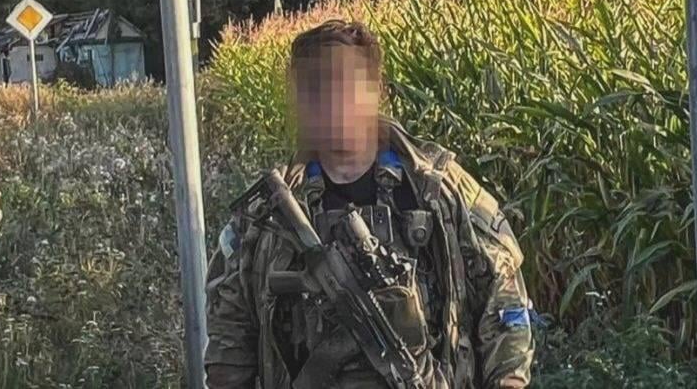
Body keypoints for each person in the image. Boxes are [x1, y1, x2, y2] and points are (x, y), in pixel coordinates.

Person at [205, 19, 534, 388]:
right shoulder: (266, 216)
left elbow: (504, 301)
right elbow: (229, 335)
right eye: (316, 88)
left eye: (346, 85)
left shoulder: (439, 189)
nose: (333, 102)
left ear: (376, 90)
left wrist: (508, 381)